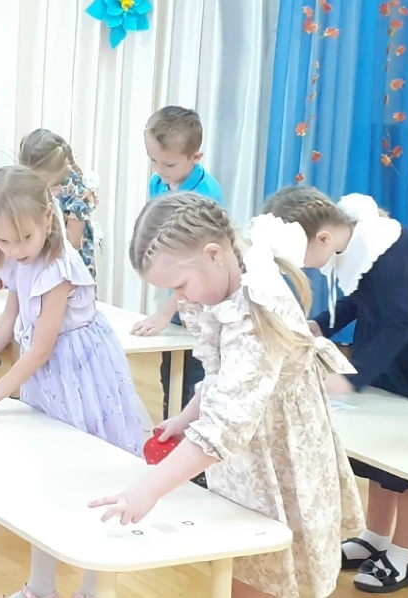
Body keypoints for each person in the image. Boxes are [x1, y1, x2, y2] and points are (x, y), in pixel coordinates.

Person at [91, 193, 363, 598]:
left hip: (281, 457)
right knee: (246, 563)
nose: (181, 299)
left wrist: (148, 490)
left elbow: (225, 425)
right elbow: (222, 375)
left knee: (274, 567)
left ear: (214, 254)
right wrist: (187, 417)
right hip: (247, 456)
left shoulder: (255, 311)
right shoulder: (221, 288)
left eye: (179, 285)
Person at [261, 186, 408, 592]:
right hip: (392, 346)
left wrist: (353, 376)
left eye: (301, 257)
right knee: (385, 451)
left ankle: (403, 554)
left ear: (322, 238)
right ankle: (375, 538)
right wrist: (322, 324)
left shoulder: (386, 252)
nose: (304, 267)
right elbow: (357, 296)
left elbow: (401, 322)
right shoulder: (350, 243)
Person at [0, 165, 148, 598]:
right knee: (45, 477)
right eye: (3, 241)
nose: (15, 249)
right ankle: (41, 587)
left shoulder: (60, 267)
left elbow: (39, 349)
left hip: (81, 375)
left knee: (92, 479)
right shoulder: (15, 257)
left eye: (24, 238)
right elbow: (9, 318)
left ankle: (92, 590)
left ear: (47, 219)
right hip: (48, 380)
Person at [132, 106, 225, 420]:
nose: (159, 170)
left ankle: (194, 435)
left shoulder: (205, 196)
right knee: (171, 366)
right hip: (179, 290)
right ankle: (172, 427)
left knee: (198, 370)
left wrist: (164, 313)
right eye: (153, 160)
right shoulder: (159, 183)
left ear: (195, 157)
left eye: (168, 164)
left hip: (206, 295)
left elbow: (197, 266)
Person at [18, 128, 101, 278]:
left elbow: (72, 244)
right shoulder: (46, 184)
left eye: (42, 180)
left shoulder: (79, 194)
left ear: (53, 172)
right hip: (46, 256)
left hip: (69, 265)